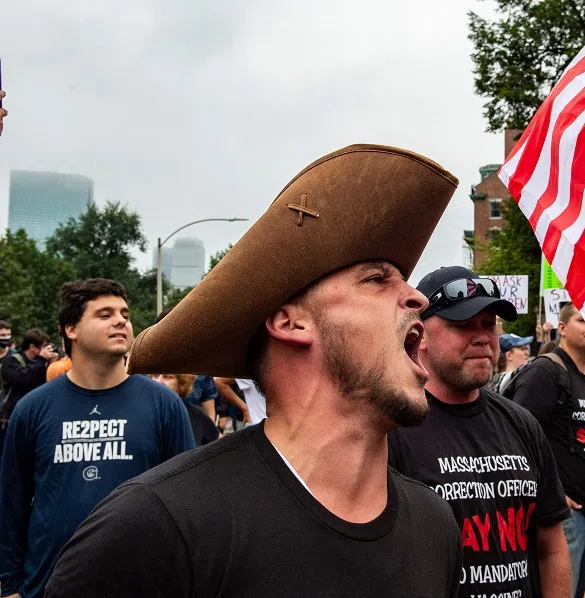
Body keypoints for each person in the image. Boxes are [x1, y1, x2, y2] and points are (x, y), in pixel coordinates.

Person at [45, 144, 463, 597]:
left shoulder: (434, 523)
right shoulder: (159, 526)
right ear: (291, 323)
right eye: (377, 279)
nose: (417, 297)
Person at [0, 278, 195, 598]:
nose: (121, 320)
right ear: (70, 329)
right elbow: (11, 505)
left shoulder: (164, 404)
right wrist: (10, 587)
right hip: (48, 584)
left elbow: (187, 502)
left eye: (125, 313)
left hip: (142, 583)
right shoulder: (32, 409)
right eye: (104, 314)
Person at [389, 266, 572, 598]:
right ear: (419, 335)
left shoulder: (522, 423)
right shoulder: (390, 429)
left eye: (489, 325)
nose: (482, 337)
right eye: (462, 325)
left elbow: (551, 546)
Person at [507, 303, 585, 598]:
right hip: (565, 517)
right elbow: (516, 437)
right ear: (562, 329)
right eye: (582, 320)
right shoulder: (546, 371)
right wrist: (552, 495)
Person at [0, 329, 57, 459]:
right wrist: (40, 359)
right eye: (43, 347)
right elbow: (22, 379)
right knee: (10, 457)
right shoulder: (11, 361)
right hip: (11, 418)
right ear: (32, 347)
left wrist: (51, 364)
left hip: (36, 417)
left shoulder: (41, 363)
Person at [152, 374, 219, 446]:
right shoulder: (145, 411)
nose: (158, 381)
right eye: (155, 376)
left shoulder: (196, 414)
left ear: (181, 384)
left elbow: (218, 444)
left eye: (168, 377)